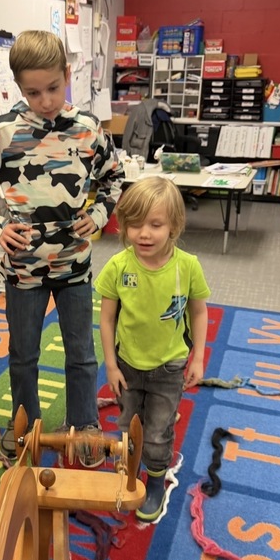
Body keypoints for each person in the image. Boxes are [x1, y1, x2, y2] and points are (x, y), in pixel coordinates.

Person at [0, 30, 124, 463]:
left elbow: (114, 177)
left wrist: (99, 215)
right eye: (33, 92)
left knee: (81, 354)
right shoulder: (4, 131)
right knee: (23, 354)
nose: (45, 100)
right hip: (23, 269)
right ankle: (24, 425)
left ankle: (84, 424)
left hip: (74, 266)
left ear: (66, 74)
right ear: (18, 86)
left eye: (53, 87)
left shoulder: (88, 129)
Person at [94, 177, 209, 521]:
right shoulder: (118, 266)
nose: (144, 234)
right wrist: (111, 366)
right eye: (135, 225)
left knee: (158, 432)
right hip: (128, 365)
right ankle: (129, 470)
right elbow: (107, 319)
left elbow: (199, 312)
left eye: (155, 225)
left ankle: (156, 480)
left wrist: (198, 358)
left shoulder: (188, 266)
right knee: (128, 423)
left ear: (174, 226)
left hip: (169, 367)